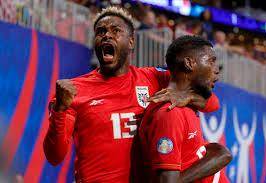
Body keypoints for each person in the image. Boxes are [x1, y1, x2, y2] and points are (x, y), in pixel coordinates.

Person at [43, 7, 220, 182]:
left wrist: (189, 96)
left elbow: (212, 103)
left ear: (131, 42)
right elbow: (54, 156)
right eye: (101, 31)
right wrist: (59, 110)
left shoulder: (154, 78)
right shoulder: (73, 91)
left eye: (116, 30)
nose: (107, 35)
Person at [139, 35, 232, 183]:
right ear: (189, 63)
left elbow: (214, 103)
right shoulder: (170, 113)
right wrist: (218, 155)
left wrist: (217, 153)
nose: (216, 70)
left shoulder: (186, 105)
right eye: (211, 61)